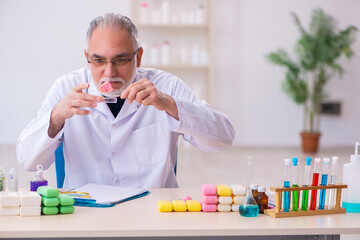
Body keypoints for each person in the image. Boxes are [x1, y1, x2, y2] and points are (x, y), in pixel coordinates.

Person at [16, 13, 235, 188]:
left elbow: (223, 138)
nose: (109, 72)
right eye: (99, 60)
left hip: (153, 213)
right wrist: (55, 117)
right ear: (87, 58)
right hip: (86, 213)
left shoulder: (166, 86)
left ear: (138, 57)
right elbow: (28, 161)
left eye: (120, 59)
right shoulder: (66, 88)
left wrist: (169, 105)